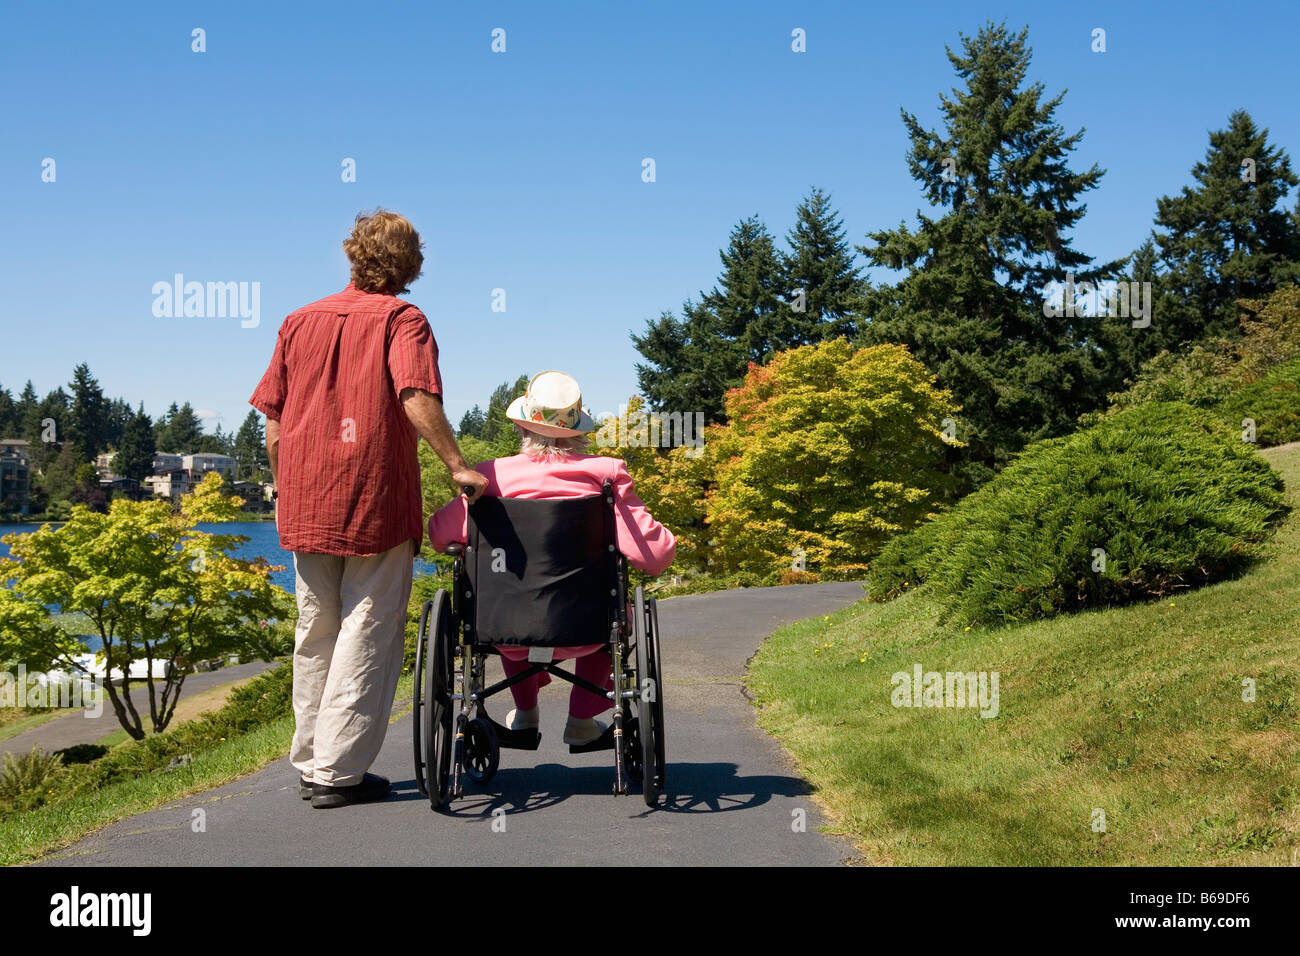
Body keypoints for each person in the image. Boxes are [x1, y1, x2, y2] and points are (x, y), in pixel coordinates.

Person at [250, 209, 488, 809]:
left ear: (355, 255)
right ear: (410, 264)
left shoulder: (298, 321)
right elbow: (414, 394)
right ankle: (338, 772)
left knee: (314, 630)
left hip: (304, 499)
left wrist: (283, 487)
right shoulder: (402, 318)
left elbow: (274, 423)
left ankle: (312, 760)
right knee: (367, 628)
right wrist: (457, 465)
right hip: (372, 496)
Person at [428, 370, 675, 744]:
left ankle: (525, 714)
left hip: (503, 627)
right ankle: (580, 720)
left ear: (522, 427)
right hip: (588, 627)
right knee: (611, 609)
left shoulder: (489, 477)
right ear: (578, 430)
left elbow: (440, 536)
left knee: (508, 596)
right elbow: (653, 557)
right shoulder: (605, 475)